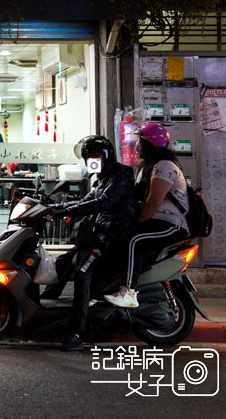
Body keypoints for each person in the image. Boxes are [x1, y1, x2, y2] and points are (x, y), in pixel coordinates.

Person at [44, 134, 141, 351]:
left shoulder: (121, 175)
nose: (92, 160)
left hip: (112, 238)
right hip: (97, 236)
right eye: (89, 157)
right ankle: (45, 313)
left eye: (96, 155)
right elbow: (86, 200)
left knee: (81, 275)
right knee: (61, 264)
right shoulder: (101, 179)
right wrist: (53, 209)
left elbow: (103, 202)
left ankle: (76, 332)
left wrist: (65, 211)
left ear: (107, 155)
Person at [104, 123, 190, 309]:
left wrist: (136, 223)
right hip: (156, 222)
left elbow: (154, 202)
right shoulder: (147, 167)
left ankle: (129, 292)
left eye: (139, 140)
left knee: (133, 239)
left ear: (149, 143)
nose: (136, 145)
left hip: (170, 224)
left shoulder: (164, 166)